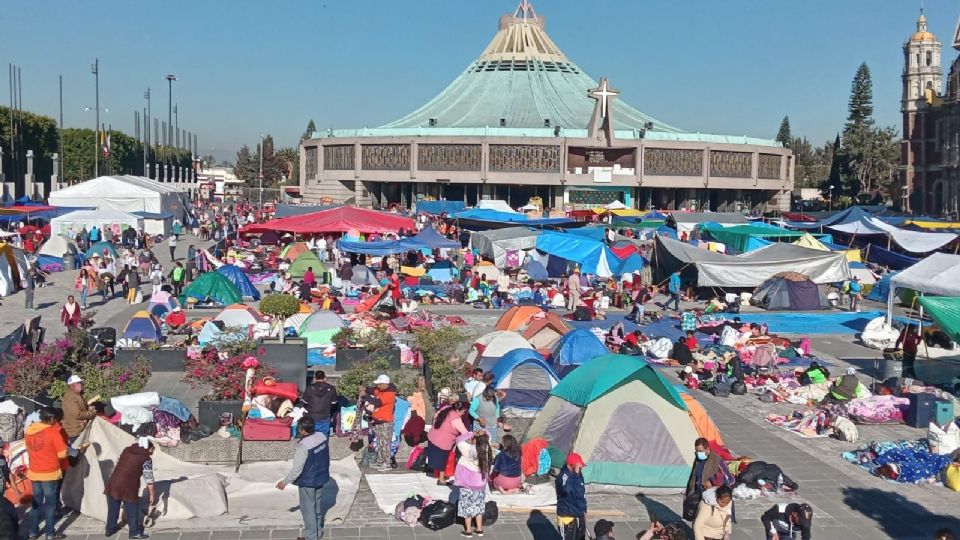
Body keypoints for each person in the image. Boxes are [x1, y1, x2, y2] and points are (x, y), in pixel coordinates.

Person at [277, 416, 330, 540]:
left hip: (308, 481)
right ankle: (318, 532)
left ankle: (311, 537)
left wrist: (284, 482)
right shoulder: (322, 436)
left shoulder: (303, 446)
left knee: (308, 511)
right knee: (317, 507)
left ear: (302, 430)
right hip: (321, 477)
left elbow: (297, 469)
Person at [25, 407, 69, 540]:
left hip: (34, 472)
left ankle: (33, 531)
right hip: (49, 473)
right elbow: (62, 454)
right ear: (51, 419)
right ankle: (50, 533)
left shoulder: (29, 431)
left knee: (36, 503)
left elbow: (29, 448)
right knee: (50, 504)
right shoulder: (53, 433)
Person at [103, 437, 156, 539]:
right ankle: (134, 532)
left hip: (114, 481)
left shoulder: (126, 450)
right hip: (129, 486)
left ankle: (109, 529)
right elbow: (148, 478)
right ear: (148, 448)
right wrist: (153, 494)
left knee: (113, 507)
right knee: (132, 508)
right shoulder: (146, 458)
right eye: (152, 449)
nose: (152, 452)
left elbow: (117, 463)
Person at [455, 429, 493, 538]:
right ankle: (479, 529)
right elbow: (489, 435)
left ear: (474, 439)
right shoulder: (486, 449)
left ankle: (468, 531)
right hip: (480, 484)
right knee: (479, 507)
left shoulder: (468, 449)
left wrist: (471, 433)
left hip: (467, 484)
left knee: (467, 508)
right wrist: (483, 431)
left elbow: (458, 440)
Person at [685, 438, 733, 522]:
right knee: (696, 523)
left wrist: (712, 482)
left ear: (707, 449)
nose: (698, 453)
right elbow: (692, 477)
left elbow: (730, 479)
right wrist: (688, 493)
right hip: (697, 498)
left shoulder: (717, 460)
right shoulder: (697, 459)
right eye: (696, 451)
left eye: (700, 451)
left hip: (711, 500)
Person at [426, 400, 468, 485]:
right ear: (459, 410)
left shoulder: (445, 408)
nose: (464, 413)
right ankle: (441, 479)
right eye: (463, 411)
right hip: (443, 442)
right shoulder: (456, 419)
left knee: (436, 458)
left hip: (433, 436)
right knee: (442, 461)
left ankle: (436, 473)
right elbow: (465, 433)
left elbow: (435, 417)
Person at [361, 374, 397, 471]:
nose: (378, 386)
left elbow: (377, 402)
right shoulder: (381, 390)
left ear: (385, 384)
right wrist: (366, 388)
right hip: (378, 420)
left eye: (380, 384)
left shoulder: (390, 394)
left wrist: (366, 396)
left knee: (385, 443)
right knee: (380, 442)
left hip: (385, 421)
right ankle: (380, 461)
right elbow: (373, 391)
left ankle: (387, 463)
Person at [556, 453, 587, 540]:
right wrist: (574, 475)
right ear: (572, 466)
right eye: (579, 467)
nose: (580, 469)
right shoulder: (563, 476)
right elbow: (566, 490)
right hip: (567, 517)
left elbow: (581, 493)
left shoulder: (578, 476)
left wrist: (584, 512)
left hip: (578, 515)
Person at [61, 374, 97, 444]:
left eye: (80, 383)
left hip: (77, 429)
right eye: (79, 383)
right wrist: (92, 413)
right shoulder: (71, 397)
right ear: (73, 385)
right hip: (75, 431)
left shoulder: (75, 395)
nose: (81, 385)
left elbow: (78, 409)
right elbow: (77, 414)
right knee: (78, 451)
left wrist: (87, 407)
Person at [302, 370, 338, 435]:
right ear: (325, 378)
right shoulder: (332, 388)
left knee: (312, 438)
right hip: (325, 417)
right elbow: (334, 404)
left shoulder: (309, 388)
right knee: (323, 438)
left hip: (312, 417)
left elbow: (304, 402)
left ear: (315, 378)